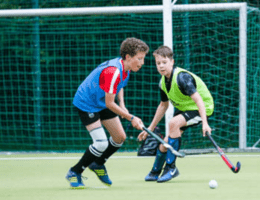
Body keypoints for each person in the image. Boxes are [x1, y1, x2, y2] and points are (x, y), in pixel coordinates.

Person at [66, 37, 149, 188]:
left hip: (102, 99)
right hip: (88, 103)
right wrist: (131, 118)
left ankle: (98, 164)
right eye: (140, 58)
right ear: (128, 57)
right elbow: (109, 103)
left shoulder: (126, 68)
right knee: (101, 143)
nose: (142, 62)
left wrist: (122, 105)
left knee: (119, 137)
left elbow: (119, 86)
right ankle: (75, 171)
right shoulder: (113, 71)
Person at [138, 46, 214, 183]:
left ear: (172, 62)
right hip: (185, 109)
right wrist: (150, 128)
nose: (161, 66)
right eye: (158, 63)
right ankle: (155, 171)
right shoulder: (162, 82)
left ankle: (171, 168)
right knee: (164, 143)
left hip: (202, 108)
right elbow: (163, 105)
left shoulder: (182, 78)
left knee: (173, 123)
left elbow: (199, 100)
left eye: (164, 62)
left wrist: (205, 123)